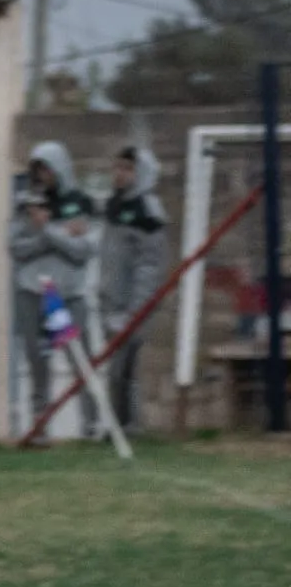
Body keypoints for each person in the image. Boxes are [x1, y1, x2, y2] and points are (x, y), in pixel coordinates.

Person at [9, 141, 99, 441]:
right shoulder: (26, 203)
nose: (43, 175)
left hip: (67, 294)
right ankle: (40, 425)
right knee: (37, 361)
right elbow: (15, 247)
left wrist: (47, 231)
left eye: (47, 168)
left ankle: (91, 424)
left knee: (80, 359)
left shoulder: (79, 202)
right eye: (38, 169)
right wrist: (52, 235)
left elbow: (83, 250)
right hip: (31, 291)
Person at [99, 145, 167, 435]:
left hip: (131, 305)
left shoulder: (147, 210)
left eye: (127, 169)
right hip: (110, 300)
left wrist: (136, 308)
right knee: (117, 370)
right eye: (116, 168)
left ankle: (128, 425)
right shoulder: (114, 204)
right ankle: (121, 424)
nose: (119, 174)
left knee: (123, 368)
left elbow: (150, 264)